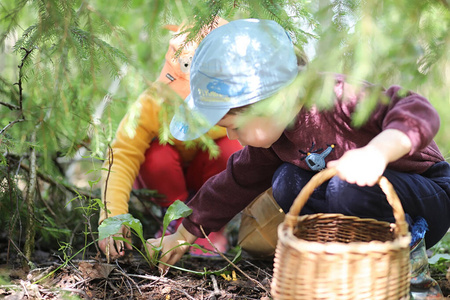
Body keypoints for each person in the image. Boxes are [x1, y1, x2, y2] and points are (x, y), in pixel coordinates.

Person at [146, 19, 450, 297]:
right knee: (286, 181)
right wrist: (183, 234)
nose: (231, 138)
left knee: (346, 187)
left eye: (234, 126)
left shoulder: (334, 96)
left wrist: (377, 153)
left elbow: (416, 109)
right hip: (362, 210)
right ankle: (345, 266)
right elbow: (232, 183)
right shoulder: (274, 139)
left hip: (426, 197)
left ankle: (412, 280)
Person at [98, 17, 242, 258]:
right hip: (165, 180)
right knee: (156, 156)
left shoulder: (234, 106)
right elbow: (121, 157)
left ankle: (211, 225)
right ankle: (176, 218)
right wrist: (112, 218)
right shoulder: (152, 103)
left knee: (232, 148)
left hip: (207, 178)